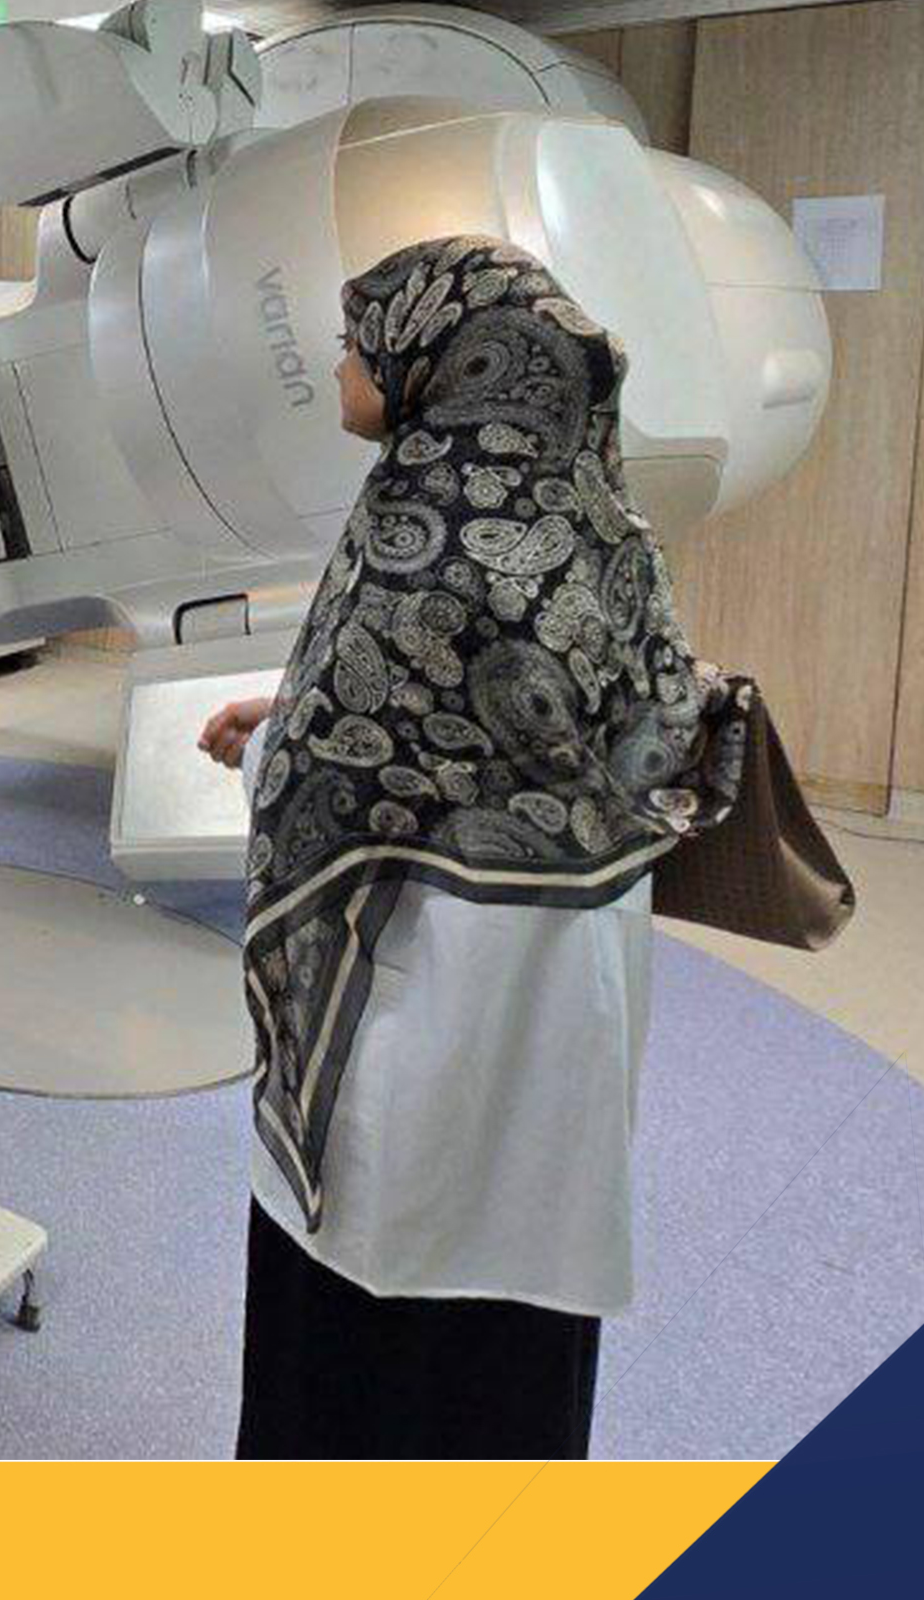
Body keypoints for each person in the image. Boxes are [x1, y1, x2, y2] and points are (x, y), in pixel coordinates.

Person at [200, 234, 748, 1460]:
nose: (339, 359)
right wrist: (296, 711)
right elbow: (528, 722)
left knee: (376, 1315)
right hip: (571, 991)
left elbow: (329, 787)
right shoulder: (593, 513)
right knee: (513, 1326)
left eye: (357, 336)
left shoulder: (425, 523)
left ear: (439, 352)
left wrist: (276, 744)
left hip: (434, 999)